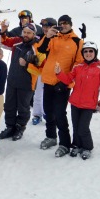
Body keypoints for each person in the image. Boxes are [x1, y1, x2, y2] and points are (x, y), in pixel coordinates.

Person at [54, 41, 100, 159]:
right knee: (76, 126)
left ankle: (87, 147)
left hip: (89, 105)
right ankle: (77, 145)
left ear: (95, 53)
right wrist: (59, 73)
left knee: (83, 128)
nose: (88, 54)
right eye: (86, 51)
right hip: (75, 102)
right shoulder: (78, 67)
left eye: (91, 51)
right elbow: (68, 79)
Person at [36, 15, 84, 151]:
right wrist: (48, 36)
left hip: (62, 83)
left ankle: (64, 143)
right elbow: (40, 49)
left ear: (70, 24)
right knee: (48, 111)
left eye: (66, 23)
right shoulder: (53, 38)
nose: (63, 25)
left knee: (60, 113)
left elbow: (78, 64)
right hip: (48, 80)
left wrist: (66, 82)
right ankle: (51, 137)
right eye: (61, 23)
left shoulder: (77, 41)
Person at [0, 23, 41, 141]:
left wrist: (27, 64)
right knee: (9, 106)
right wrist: (2, 31)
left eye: (29, 33)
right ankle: (10, 127)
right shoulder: (17, 41)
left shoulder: (37, 47)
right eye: (24, 32)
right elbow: (1, 42)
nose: (26, 35)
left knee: (23, 108)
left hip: (27, 83)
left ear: (34, 34)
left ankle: (20, 128)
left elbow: (41, 68)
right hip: (12, 80)